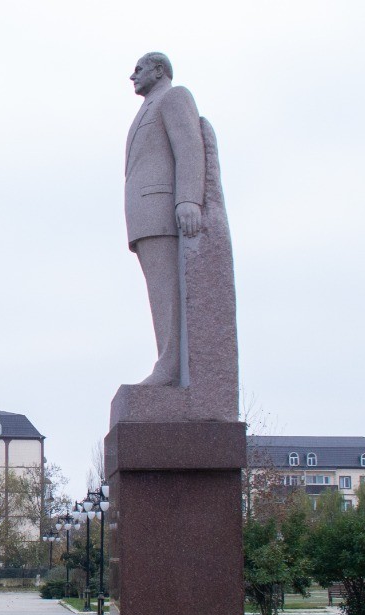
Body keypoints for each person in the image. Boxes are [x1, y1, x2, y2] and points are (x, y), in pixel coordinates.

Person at [124, 51, 205, 387]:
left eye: (139, 69)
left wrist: (188, 199)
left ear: (159, 70)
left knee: (166, 294)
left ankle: (169, 365)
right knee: (159, 294)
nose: (133, 76)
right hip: (145, 216)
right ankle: (167, 361)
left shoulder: (174, 97)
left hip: (161, 211)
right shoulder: (148, 107)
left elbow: (189, 147)